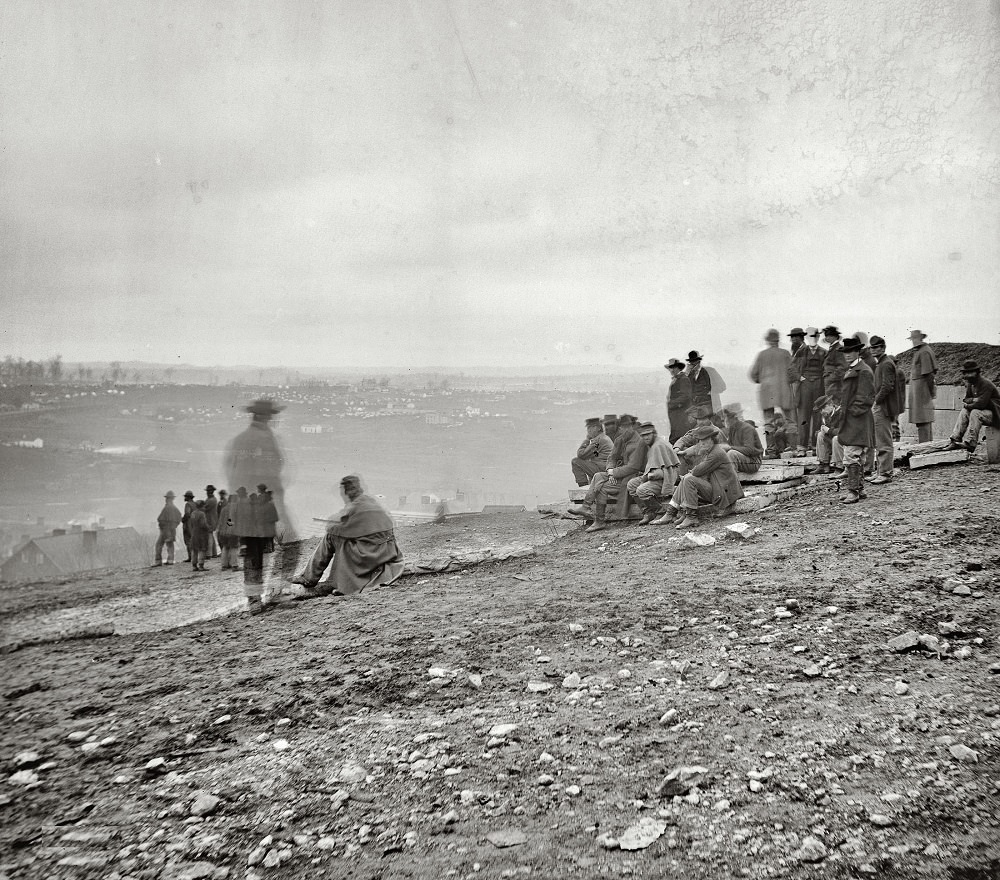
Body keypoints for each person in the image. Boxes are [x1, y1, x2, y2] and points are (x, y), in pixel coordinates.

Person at [292, 475, 404, 599]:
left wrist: (331, 521)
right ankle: (317, 577)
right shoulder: (370, 502)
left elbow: (334, 528)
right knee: (342, 537)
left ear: (347, 491)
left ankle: (309, 578)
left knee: (330, 537)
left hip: (370, 555)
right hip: (385, 553)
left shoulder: (355, 507)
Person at [224, 399, 297, 543]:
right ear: (265, 417)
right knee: (287, 539)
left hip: (242, 498)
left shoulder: (239, 439)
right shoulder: (266, 438)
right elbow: (273, 469)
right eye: (270, 415)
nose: (273, 419)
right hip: (266, 498)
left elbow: (229, 469)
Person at [572, 414, 646, 532]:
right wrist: (610, 471)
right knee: (598, 476)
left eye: (626, 427)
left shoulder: (639, 443)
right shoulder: (619, 440)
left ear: (632, 427)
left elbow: (634, 467)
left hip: (633, 477)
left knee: (602, 487)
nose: (622, 429)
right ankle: (589, 510)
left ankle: (597, 519)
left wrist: (614, 472)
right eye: (621, 427)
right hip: (618, 473)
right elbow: (611, 458)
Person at [668, 425, 744, 529]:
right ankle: (678, 512)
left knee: (689, 479)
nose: (701, 443)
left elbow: (697, 471)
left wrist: (691, 471)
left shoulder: (716, 453)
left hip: (724, 495)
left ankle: (691, 517)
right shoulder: (711, 449)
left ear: (712, 439)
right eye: (699, 441)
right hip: (719, 489)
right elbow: (696, 450)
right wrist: (684, 452)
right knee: (687, 478)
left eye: (704, 440)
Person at [835, 336, 876, 504]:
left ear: (858, 351)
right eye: (845, 352)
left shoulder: (864, 371)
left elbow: (866, 399)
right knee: (856, 456)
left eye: (851, 351)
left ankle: (853, 491)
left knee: (852, 455)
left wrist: (850, 412)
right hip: (853, 420)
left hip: (857, 420)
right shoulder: (854, 369)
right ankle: (860, 489)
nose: (847, 355)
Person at [749, 329, 795, 457]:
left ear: (768, 341)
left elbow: (753, 375)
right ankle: (793, 449)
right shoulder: (785, 353)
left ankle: (771, 451)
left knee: (768, 423)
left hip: (767, 392)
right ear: (778, 340)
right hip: (784, 391)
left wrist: (763, 379)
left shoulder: (761, 355)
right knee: (790, 421)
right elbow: (793, 374)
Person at [626, 421, 680, 525]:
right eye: (643, 436)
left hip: (666, 479)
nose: (646, 438)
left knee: (641, 489)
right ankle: (648, 512)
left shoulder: (658, 446)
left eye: (648, 435)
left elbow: (661, 472)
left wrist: (646, 478)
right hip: (658, 477)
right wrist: (645, 477)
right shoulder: (652, 445)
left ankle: (661, 512)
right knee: (631, 484)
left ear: (654, 433)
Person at [949, 359, 1000, 452]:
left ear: (976, 372)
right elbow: (966, 399)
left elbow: (981, 404)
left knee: (975, 412)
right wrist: (974, 400)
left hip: (995, 415)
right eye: (965, 373)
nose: (966, 376)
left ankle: (970, 443)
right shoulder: (971, 384)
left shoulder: (986, 384)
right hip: (983, 413)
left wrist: (970, 404)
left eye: (969, 373)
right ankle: (955, 439)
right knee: (965, 412)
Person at [869, 336, 899, 484]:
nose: (873, 350)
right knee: (879, 439)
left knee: (884, 440)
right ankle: (881, 471)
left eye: (876, 347)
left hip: (883, 406)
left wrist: (876, 401)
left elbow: (887, 386)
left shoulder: (886, 364)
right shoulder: (881, 363)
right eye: (871, 348)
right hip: (880, 405)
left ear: (883, 348)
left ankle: (886, 473)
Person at [791, 327, 826, 455]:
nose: (812, 339)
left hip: (819, 387)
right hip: (805, 386)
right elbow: (791, 369)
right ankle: (802, 447)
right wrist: (800, 377)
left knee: (817, 417)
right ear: (806, 338)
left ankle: (816, 447)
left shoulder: (823, 352)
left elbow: (827, 369)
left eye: (815, 336)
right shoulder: (801, 352)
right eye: (810, 337)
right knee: (803, 417)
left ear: (817, 338)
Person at [906, 330, 938, 443]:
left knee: (923, 422)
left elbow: (929, 375)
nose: (913, 342)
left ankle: (925, 449)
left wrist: (931, 393)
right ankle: (926, 447)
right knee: (923, 423)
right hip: (920, 395)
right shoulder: (920, 351)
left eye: (915, 339)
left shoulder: (924, 352)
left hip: (922, 395)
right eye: (912, 339)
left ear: (920, 339)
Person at [721, 402, 764, 473]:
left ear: (734, 417)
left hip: (753, 462)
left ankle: (731, 481)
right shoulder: (732, 429)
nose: (725, 420)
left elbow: (749, 450)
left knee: (732, 454)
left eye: (727, 417)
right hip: (743, 460)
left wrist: (729, 447)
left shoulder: (747, 429)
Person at [571, 418, 613, 486]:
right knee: (588, 461)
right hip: (605, 468)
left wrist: (587, 440)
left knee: (575, 461)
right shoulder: (603, 438)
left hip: (603, 469)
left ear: (599, 428)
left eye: (591, 427)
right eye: (588, 428)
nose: (588, 430)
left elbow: (581, 455)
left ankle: (583, 487)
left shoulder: (599, 440)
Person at [664, 358, 693, 442]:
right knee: (675, 434)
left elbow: (686, 396)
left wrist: (672, 404)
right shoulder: (677, 379)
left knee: (679, 436)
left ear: (678, 368)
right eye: (670, 368)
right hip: (675, 413)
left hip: (681, 414)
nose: (671, 370)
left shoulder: (683, 379)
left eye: (673, 368)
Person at [813, 396, 843, 475]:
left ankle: (839, 466)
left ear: (829, 405)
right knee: (820, 435)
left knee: (836, 439)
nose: (821, 412)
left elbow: (843, 431)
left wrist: (829, 430)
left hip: (844, 442)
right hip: (833, 442)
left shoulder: (840, 412)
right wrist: (820, 431)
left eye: (822, 409)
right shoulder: (825, 415)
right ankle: (823, 464)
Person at [153, 490, 183, 566]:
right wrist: (174, 525)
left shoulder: (168, 507)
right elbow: (179, 517)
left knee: (159, 545)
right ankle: (170, 560)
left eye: (168, 498)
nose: (166, 499)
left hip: (165, 529)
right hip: (170, 529)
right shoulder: (173, 508)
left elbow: (161, 519)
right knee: (170, 544)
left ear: (170, 499)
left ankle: (158, 561)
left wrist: (167, 525)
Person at [821, 325, 848, 404]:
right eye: (826, 336)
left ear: (836, 337)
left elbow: (842, 367)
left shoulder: (838, 348)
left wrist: (831, 378)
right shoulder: (832, 348)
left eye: (830, 335)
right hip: (830, 382)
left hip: (834, 384)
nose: (827, 338)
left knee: (833, 404)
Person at [217, 490, 240, 571]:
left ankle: (224, 565)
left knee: (225, 548)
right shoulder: (234, 509)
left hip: (222, 532)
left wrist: (220, 530)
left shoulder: (224, 509)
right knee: (234, 548)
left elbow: (220, 521)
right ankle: (234, 565)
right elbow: (230, 520)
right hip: (231, 531)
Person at [189, 500, 210, 571]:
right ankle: (201, 565)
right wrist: (208, 528)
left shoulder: (193, 513)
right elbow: (203, 524)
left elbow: (191, 524)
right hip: (201, 534)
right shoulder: (202, 514)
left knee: (194, 550)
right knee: (202, 549)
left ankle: (194, 566)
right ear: (202, 506)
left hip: (194, 533)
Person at [203, 484, 220, 558]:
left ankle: (209, 554)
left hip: (210, 520)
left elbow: (204, 508)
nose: (207, 492)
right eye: (207, 491)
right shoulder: (211, 499)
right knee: (211, 536)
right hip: (211, 519)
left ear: (212, 491)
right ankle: (213, 553)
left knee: (209, 536)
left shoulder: (211, 500)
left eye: (209, 491)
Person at [181, 490, 196, 563]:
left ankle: (190, 557)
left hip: (188, 524)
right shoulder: (195, 504)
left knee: (188, 541)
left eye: (185, 496)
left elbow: (187, 514)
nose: (184, 498)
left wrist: (183, 520)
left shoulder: (188, 504)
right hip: (194, 524)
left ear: (188, 497)